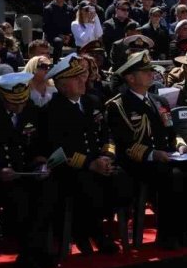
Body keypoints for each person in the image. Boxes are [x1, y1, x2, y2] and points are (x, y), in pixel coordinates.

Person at [107, 51, 187, 249]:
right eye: (144, 72)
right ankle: (167, 234)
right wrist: (153, 154)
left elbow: (172, 131)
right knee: (173, 176)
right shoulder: (119, 105)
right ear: (130, 77)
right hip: (139, 163)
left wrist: (180, 144)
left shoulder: (159, 101)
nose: (150, 74)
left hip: (167, 158)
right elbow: (123, 143)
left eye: (150, 70)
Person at [39, 53, 128, 254]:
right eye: (75, 78)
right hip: (72, 168)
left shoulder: (93, 102)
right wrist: (90, 163)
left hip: (100, 162)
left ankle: (99, 228)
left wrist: (108, 156)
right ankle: (87, 232)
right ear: (61, 85)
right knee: (87, 183)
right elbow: (58, 148)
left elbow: (108, 136)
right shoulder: (52, 111)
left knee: (122, 179)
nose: (82, 80)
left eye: (82, 75)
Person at [0, 71, 55, 268]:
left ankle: (36, 250)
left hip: (28, 172)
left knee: (49, 191)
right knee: (20, 199)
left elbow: (40, 143)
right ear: (1, 95)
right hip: (0, 177)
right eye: (13, 103)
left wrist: (41, 162)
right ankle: (30, 253)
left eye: (22, 102)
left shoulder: (31, 110)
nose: (18, 107)